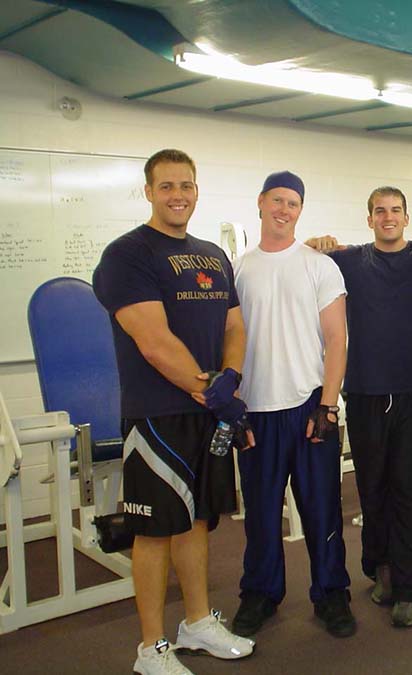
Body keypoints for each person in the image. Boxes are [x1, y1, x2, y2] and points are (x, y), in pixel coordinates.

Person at [93, 148, 255, 675]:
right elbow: (154, 342)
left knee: (197, 522)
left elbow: (234, 325)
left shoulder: (212, 254)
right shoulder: (127, 255)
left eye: (186, 185)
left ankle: (197, 623)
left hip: (206, 410)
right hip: (158, 415)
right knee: (155, 530)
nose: (177, 195)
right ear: (148, 192)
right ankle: (150, 648)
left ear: (197, 191)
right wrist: (217, 394)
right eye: (166, 186)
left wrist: (230, 378)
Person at [304, 186, 412, 628]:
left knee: (406, 487)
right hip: (365, 391)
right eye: (380, 211)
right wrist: (316, 243)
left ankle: (409, 588)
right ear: (369, 219)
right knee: (371, 487)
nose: (388, 217)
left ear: (407, 217)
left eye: (396, 211)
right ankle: (380, 569)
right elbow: (299, 256)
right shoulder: (350, 260)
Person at [230, 171, 356, 639]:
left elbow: (337, 339)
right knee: (261, 514)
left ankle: (331, 593)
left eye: (293, 203)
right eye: (277, 200)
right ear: (261, 202)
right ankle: (260, 593)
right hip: (256, 410)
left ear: (300, 210)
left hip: (308, 407)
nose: (284, 210)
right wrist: (234, 406)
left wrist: (327, 406)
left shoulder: (319, 266)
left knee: (322, 511)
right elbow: (228, 340)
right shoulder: (237, 269)